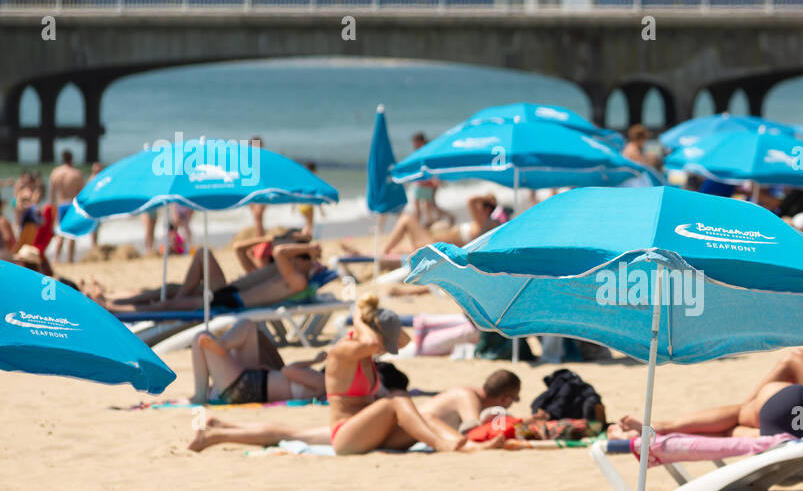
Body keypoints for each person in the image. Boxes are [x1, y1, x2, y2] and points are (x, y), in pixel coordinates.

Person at [614, 323, 803, 439]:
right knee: (737, 428)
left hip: (799, 404)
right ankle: (655, 434)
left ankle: (659, 427)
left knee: (739, 413)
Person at [324, 295, 505, 455]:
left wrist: (380, 319)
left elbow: (405, 341)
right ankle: (441, 444)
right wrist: (359, 320)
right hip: (346, 436)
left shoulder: (366, 351)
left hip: (372, 432)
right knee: (396, 398)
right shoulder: (342, 350)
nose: (382, 348)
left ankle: (469, 446)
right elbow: (371, 342)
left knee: (425, 417)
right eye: (382, 341)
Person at [188, 369, 523, 451]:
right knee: (288, 435)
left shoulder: (464, 392)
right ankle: (216, 435)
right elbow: (470, 425)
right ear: (505, 397)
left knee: (287, 434)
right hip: (375, 429)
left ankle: (219, 429)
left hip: (373, 427)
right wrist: (502, 424)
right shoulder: (468, 396)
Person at [92, 238, 324, 313]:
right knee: (176, 285)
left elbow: (280, 252)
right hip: (229, 292)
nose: (289, 259)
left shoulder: (297, 280)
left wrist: (307, 249)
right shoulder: (280, 273)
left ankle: (116, 309)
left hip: (232, 302)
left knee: (174, 302)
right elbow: (241, 248)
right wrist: (274, 239)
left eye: (296, 257)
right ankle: (117, 301)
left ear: (301, 260)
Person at [190, 318, 326, 405]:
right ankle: (223, 344)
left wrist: (314, 361)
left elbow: (288, 370)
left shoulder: (321, 381)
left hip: (245, 388)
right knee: (247, 325)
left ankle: (199, 397)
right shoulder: (321, 383)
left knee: (200, 338)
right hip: (252, 384)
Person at [357, 192, 501, 266]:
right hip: (433, 243)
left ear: (487, 209)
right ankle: (361, 254)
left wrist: (487, 198)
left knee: (407, 218)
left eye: (481, 206)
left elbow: (470, 199)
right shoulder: (483, 222)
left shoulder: (486, 222)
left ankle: (380, 252)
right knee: (399, 251)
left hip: (434, 246)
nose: (477, 208)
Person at [48, 150, 86, 263]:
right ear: (72, 159)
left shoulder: (56, 172)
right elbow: (82, 193)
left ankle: (55, 259)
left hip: (60, 204)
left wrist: (52, 209)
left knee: (60, 233)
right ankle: (70, 259)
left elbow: (51, 193)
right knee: (71, 234)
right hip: (72, 205)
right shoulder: (76, 174)